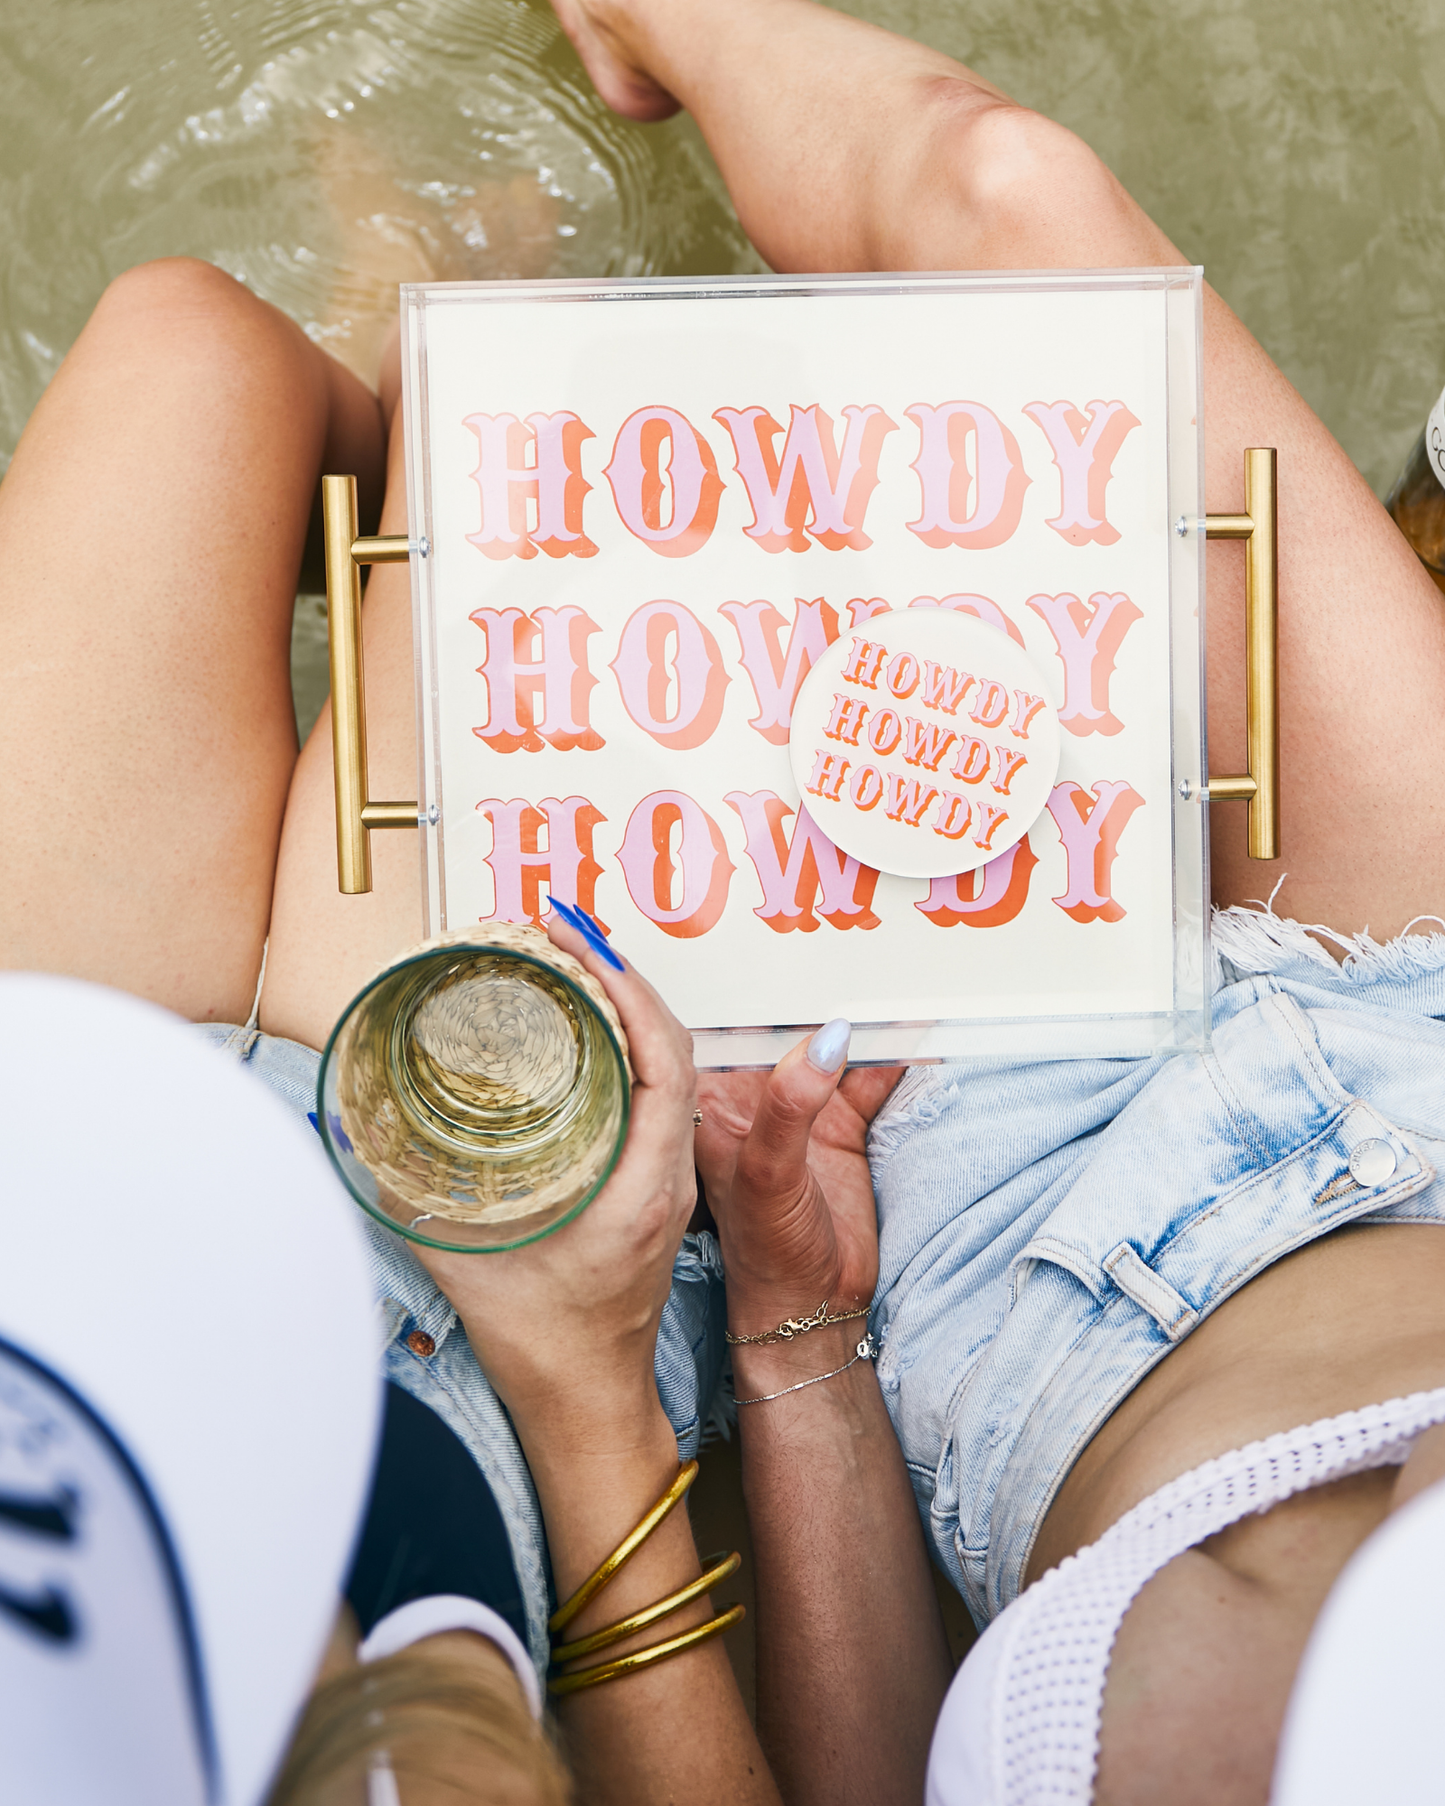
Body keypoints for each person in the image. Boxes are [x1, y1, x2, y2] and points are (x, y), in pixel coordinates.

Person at [5, 1, 1445, 1803]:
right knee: (1001, 192)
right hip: (1390, 1058)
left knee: (239, 355)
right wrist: (772, 1327)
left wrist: (692, 1347)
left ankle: (419, 383)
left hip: (248, 1238)